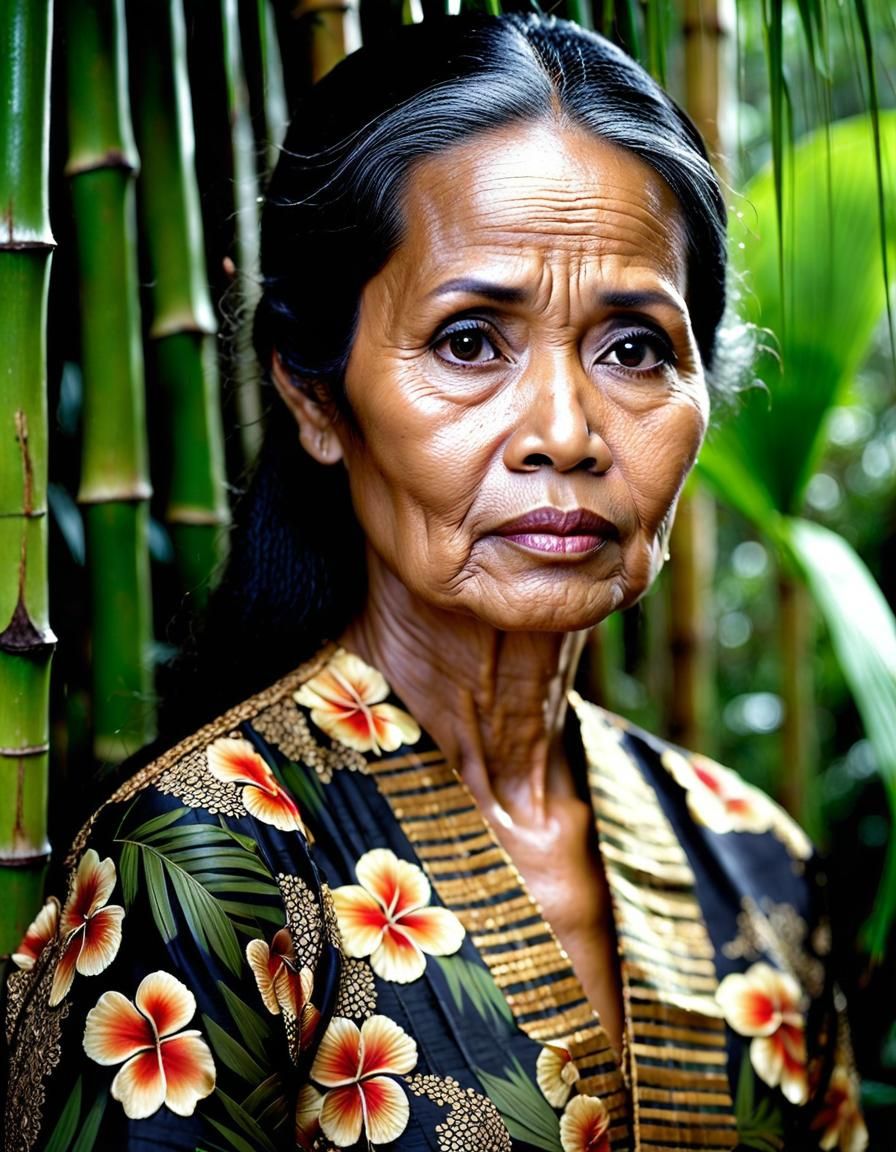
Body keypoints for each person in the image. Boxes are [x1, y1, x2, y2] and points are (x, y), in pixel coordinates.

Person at [3, 13, 866, 1152]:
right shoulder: (202, 873)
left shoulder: (754, 862)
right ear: (315, 397)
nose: (564, 432)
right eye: (468, 341)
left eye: (633, 349)